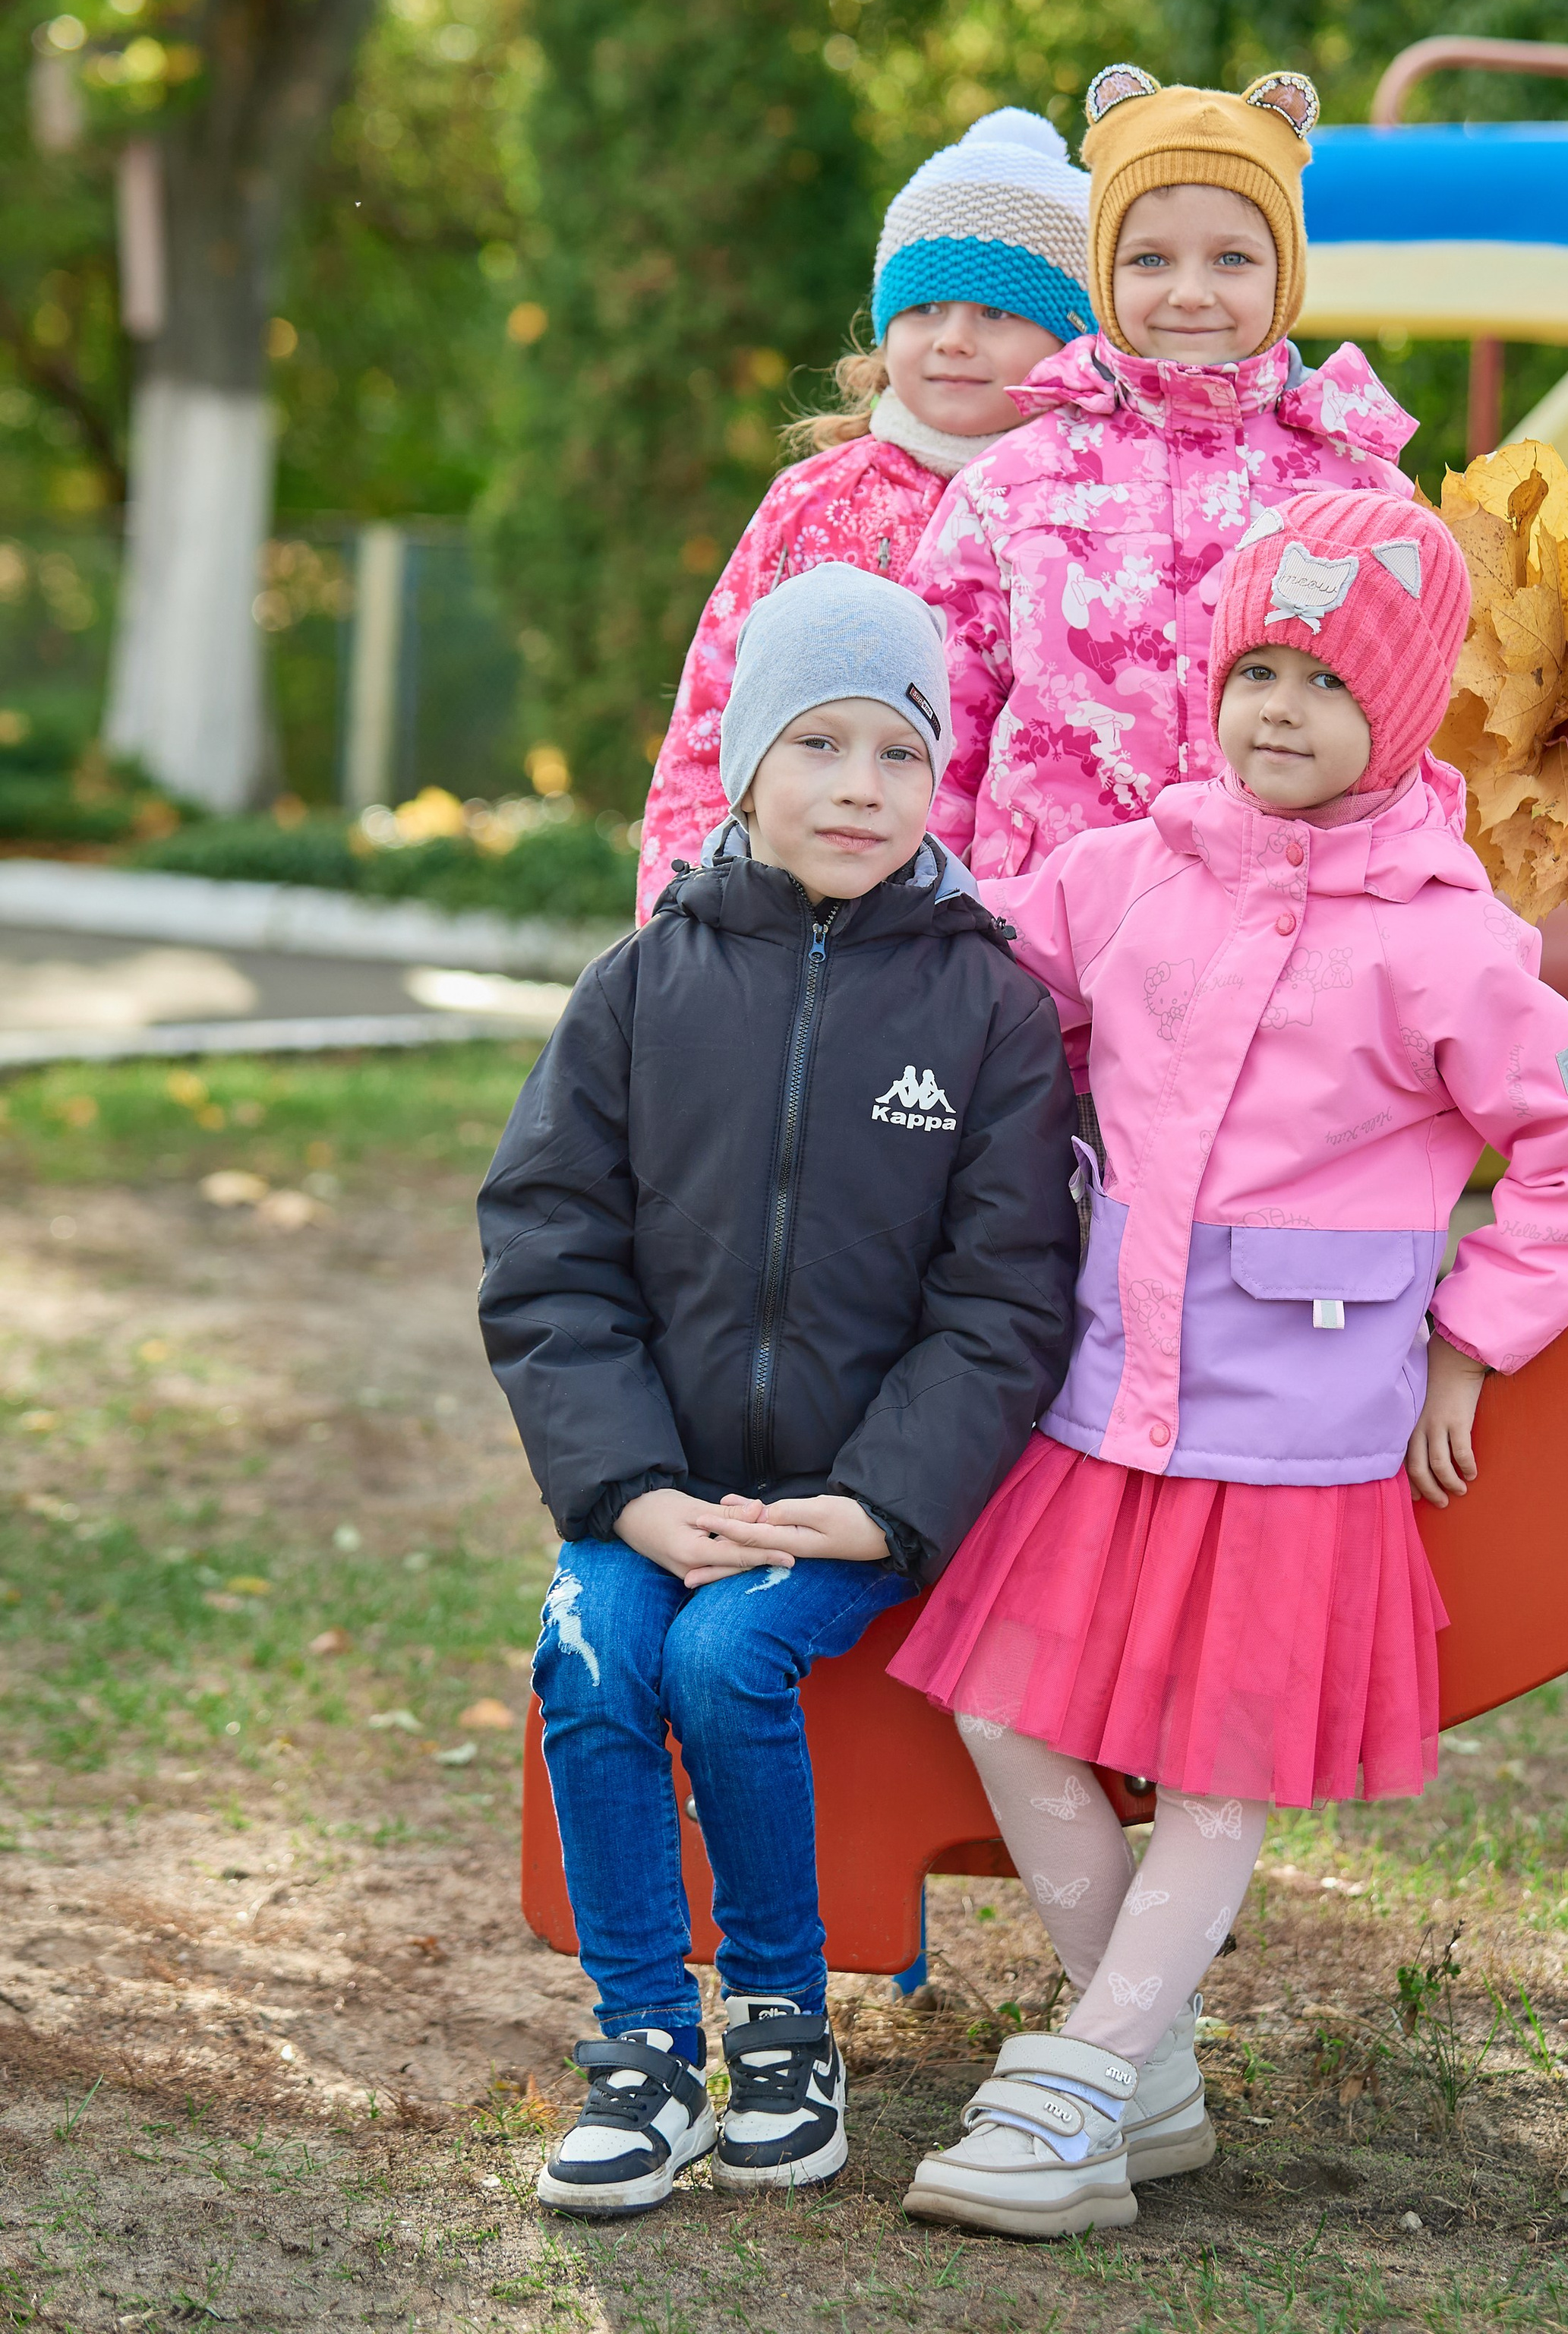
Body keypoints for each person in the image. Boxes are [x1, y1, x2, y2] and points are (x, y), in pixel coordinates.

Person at [888, 486, 1568, 2238]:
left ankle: (1079, 2081)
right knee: (1001, 1702)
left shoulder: (1443, 940)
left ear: (1394, 711)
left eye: (1323, 678)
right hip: (1102, 1402)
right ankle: (1137, 2064)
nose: (1278, 709)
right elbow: (988, 1010)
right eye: (1253, 668)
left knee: (1220, 1766)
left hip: (1290, 1429)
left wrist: (1470, 1336)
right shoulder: (1118, 876)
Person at [481, 568, 1081, 2218]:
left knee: (731, 1656)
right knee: (598, 1653)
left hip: (849, 1498)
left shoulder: (985, 1008)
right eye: (816, 745)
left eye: (898, 754)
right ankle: (644, 2055)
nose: (858, 788)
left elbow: (1005, 1298)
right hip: (656, 1481)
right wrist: (622, 1491)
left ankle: (780, 2034)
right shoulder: (640, 989)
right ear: (745, 763)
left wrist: (874, 1509)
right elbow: (548, 1250)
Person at [904, 64, 1420, 885]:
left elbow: (1413, 728)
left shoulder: (1357, 494)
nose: (1189, 293)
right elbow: (935, 723)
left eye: (1231, 259)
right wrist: (920, 919)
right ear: (1103, 271)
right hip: (1047, 946)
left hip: (1290, 935)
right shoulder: (1011, 488)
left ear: (1283, 274)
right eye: (1149, 259)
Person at [636, 109, 1092, 914]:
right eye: (923, 310)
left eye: (997, 312)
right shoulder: (816, 501)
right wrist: (681, 904)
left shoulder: (1091, 510)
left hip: (1010, 919)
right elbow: (715, 711)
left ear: (1072, 335)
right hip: (804, 909)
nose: (953, 339)